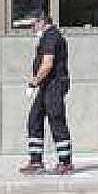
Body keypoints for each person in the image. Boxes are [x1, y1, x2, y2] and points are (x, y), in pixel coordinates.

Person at [18, 13, 72, 176]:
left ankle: (65, 163)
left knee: (56, 119)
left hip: (54, 84)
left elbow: (47, 64)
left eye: (33, 25)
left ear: (42, 22)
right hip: (46, 85)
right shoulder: (46, 37)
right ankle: (36, 162)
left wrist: (33, 82)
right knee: (34, 118)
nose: (32, 29)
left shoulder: (51, 36)